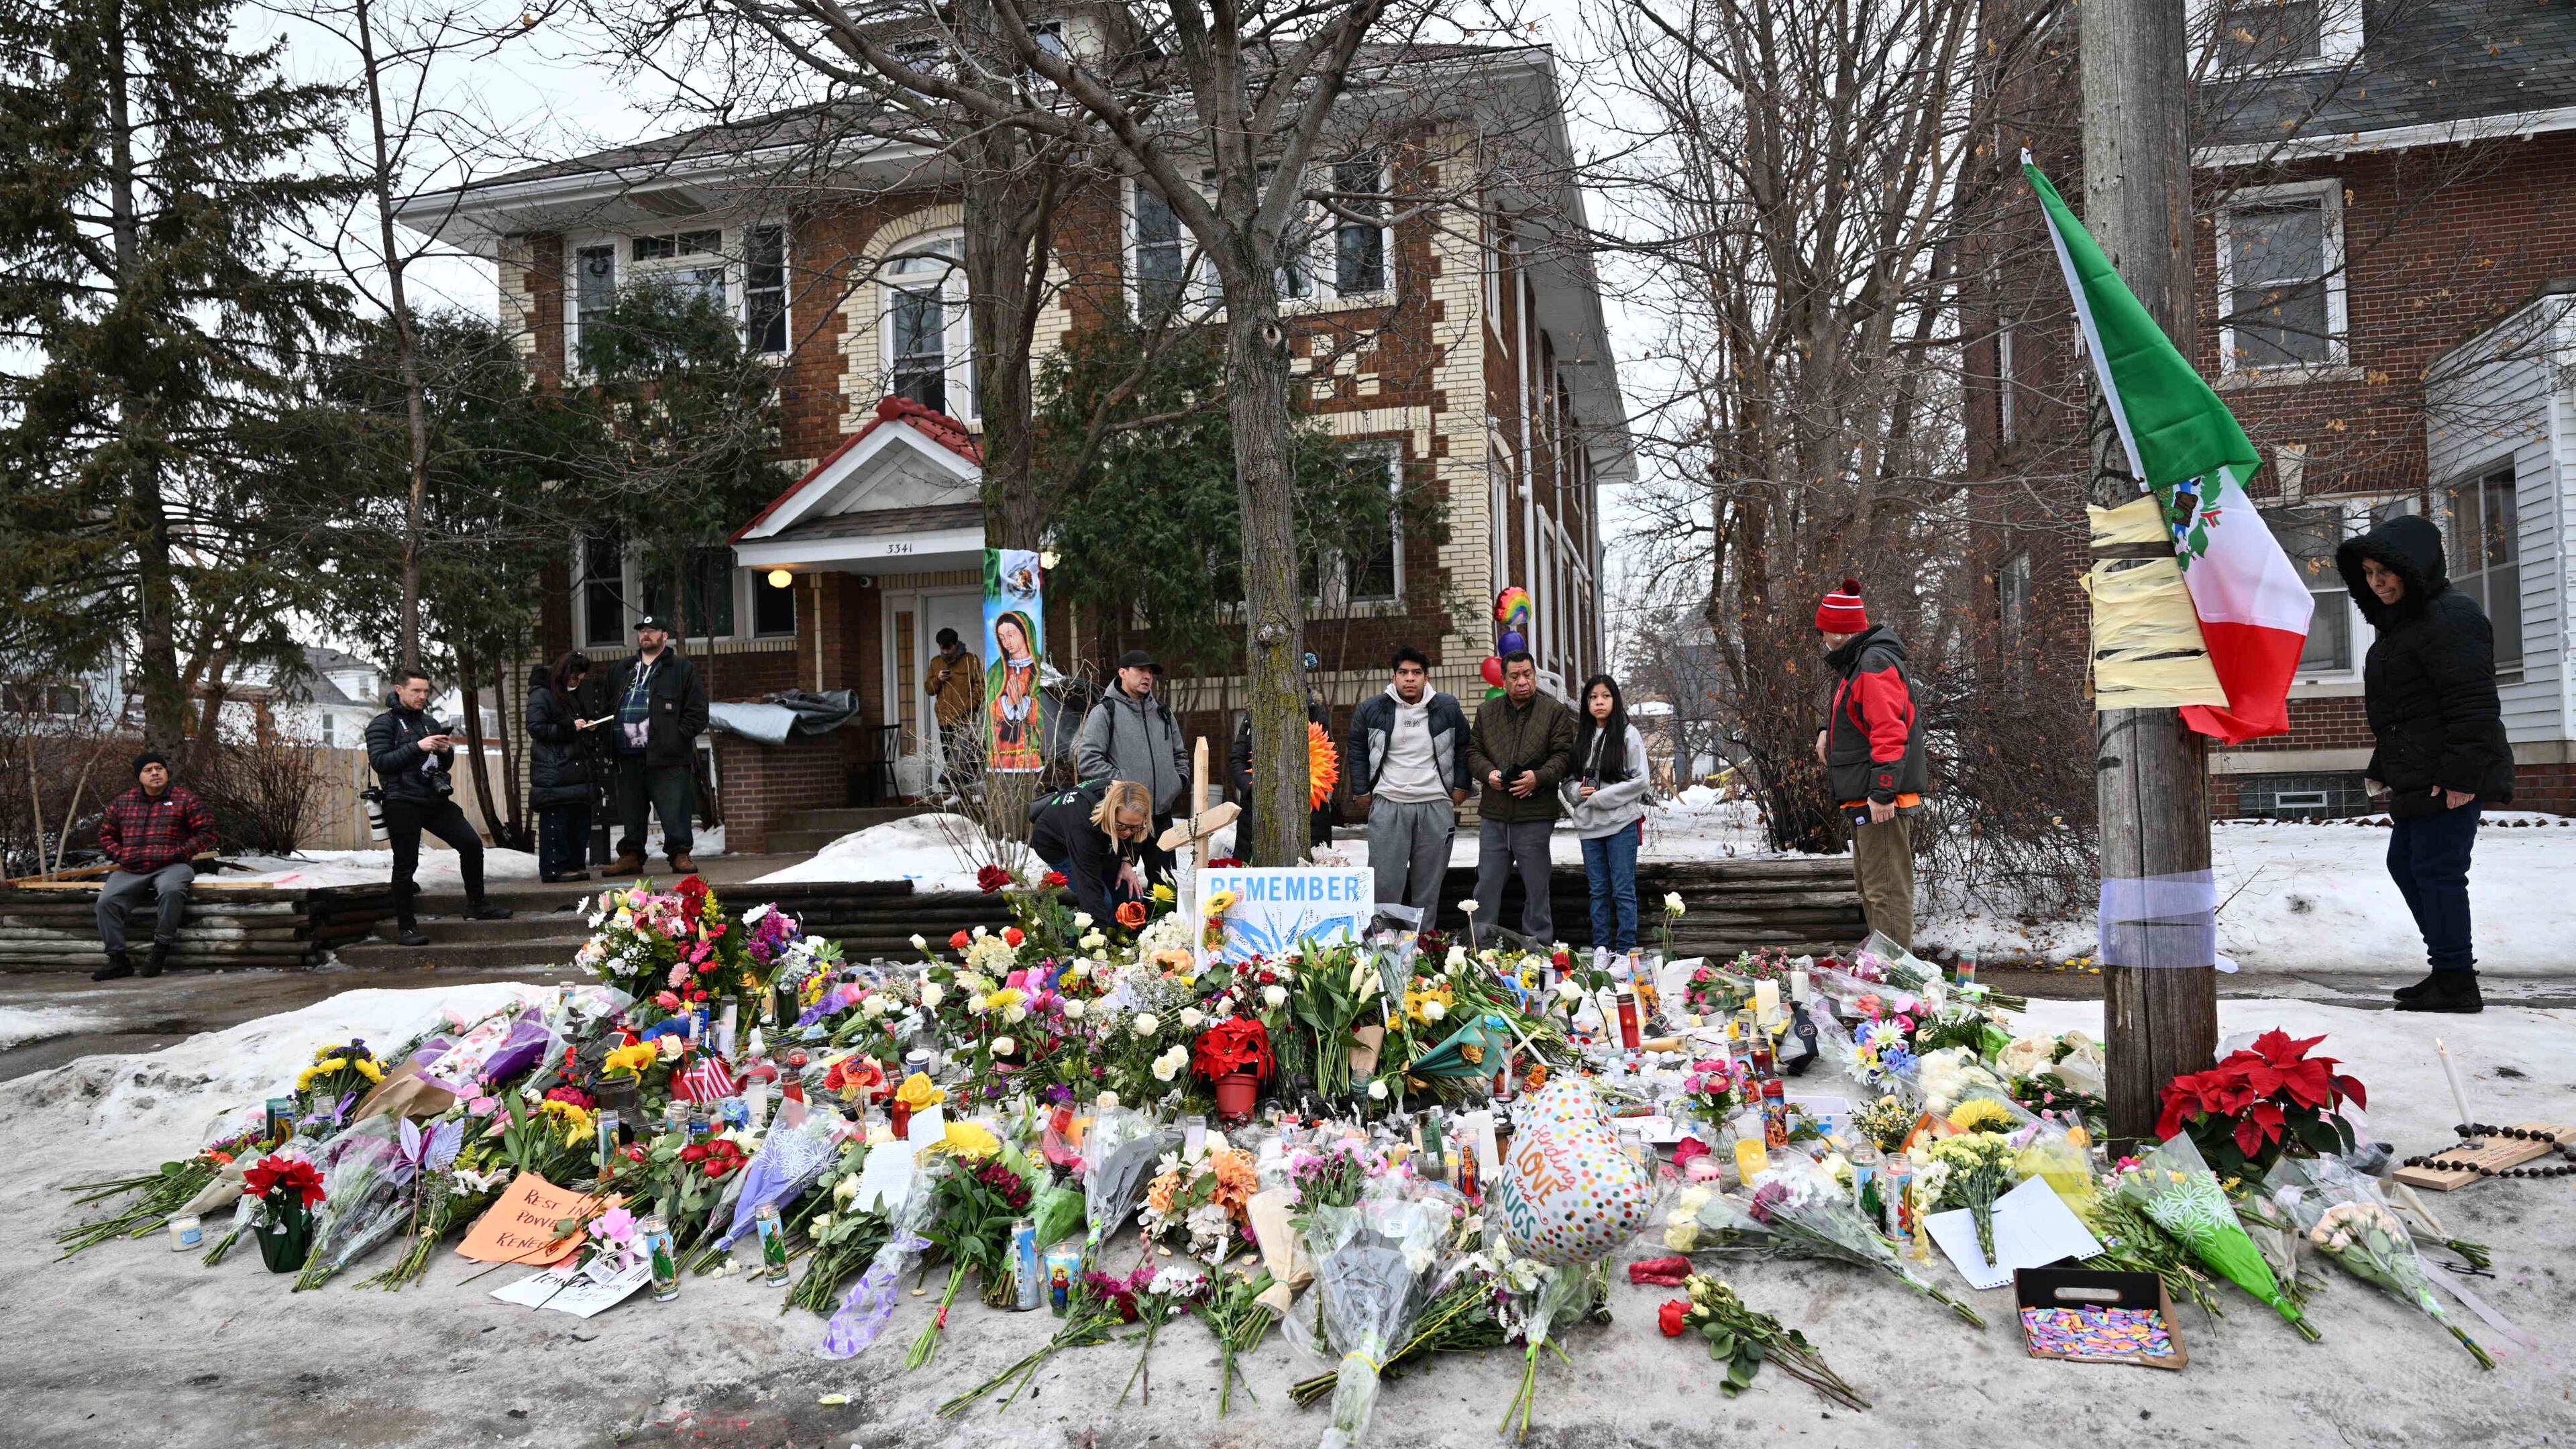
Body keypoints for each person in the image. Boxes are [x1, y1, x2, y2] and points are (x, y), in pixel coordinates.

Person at [2337, 514, 2514, 1014]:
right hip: (2419, 769)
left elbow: (2473, 703)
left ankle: (2457, 981)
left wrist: (2461, 776)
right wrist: (2382, 762)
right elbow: (2408, 710)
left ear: (2416, 568)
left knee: (2437, 871)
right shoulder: (2402, 625)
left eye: (2387, 572)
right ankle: (2448, 971)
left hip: (2449, 773)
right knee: (2407, 866)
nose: (2378, 583)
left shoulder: (2451, 616)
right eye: (2369, 573)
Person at [1813, 579, 1925, 949]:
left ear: (1839, 632)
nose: (1822, 639)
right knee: (1873, 886)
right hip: (1866, 797)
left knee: (1886, 892)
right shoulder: (1859, 664)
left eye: (1825, 631)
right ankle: (1883, 976)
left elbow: (1890, 730)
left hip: (1881, 802)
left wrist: (1882, 792)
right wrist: (1828, 729)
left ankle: (1897, 986)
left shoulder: (1873, 663)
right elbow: (1861, 716)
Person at [367, 670, 513, 946]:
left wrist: (445, 751)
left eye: (426, 691)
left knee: (471, 844)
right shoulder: (382, 724)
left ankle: (476, 904)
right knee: (406, 864)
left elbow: (442, 765)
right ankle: (406, 927)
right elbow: (381, 762)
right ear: (399, 689)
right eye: (416, 691)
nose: (423, 696)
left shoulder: (429, 722)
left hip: (434, 799)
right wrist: (418, 746)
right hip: (401, 800)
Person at [1347, 645, 1470, 921]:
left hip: (1435, 804)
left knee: (1428, 886)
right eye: (1403, 672)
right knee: (1384, 885)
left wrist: (1461, 786)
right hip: (1389, 804)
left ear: (1426, 677)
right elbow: (1357, 749)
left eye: (1416, 672)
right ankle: (1385, 947)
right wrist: (1361, 790)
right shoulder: (1372, 709)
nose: (1410, 678)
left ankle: (1423, 947)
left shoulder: (1447, 707)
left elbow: (1464, 746)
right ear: (1394, 677)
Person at [1466, 651, 1576, 943]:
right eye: (1514, 676)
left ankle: (1538, 947)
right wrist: (1489, 774)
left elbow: (1564, 756)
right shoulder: (1487, 713)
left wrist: (1537, 778)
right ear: (1503, 680)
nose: (1522, 682)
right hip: (1494, 815)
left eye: (1527, 674)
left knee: (1537, 887)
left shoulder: (1554, 711)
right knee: (1486, 885)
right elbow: (1472, 753)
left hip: (1535, 814)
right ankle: (1481, 946)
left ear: (1535, 675)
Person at [90, 751, 217, 980]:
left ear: (167, 772)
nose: (155, 773)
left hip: (173, 865)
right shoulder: (123, 803)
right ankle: (118, 960)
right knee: (105, 902)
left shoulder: (185, 799)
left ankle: (160, 951)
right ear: (139, 776)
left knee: (171, 891)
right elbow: (106, 835)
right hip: (132, 867)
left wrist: (181, 852)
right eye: (148, 770)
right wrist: (121, 855)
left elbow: (207, 832)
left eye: (159, 768)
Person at [604, 615, 709, 875]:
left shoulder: (681, 668)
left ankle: (680, 854)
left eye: (652, 631)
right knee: (631, 809)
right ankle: (631, 855)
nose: (645, 635)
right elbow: (608, 704)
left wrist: (676, 737)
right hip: (628, 754)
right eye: (641, 631)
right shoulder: (623, 669)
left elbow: (697, 712)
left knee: (674, 808)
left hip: (667, 755)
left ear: (664, 636)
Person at [1562, 674, 1653, 960]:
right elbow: (1567, 781)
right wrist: (1578, 792)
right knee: (1598, 890)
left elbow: (1641, 781)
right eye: (1593, 697)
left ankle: (1625, 952)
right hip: (1590, 827)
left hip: (1621, 824)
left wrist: (1602, 796)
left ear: (1615, 700)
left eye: (1605, 696)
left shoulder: (1628, 734)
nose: (1599, 702)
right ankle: (1601, 948)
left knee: (1623, 889)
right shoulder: (1582, 738)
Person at [1077, 649, 1190, 865]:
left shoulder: (1163, 713)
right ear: (1123, 673)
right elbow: (1088, 760)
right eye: (1140, 670)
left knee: (1167, 887)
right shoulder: (1105, 712)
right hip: (1124, 820)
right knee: (1123, 887)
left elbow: (1180, 755)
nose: (1147, 676)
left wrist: (1178, 782)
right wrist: (1123, 785)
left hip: (1162, 817)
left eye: (1150, 672)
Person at [1030, 778, 1167, 924]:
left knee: (1130, 897)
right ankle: (1079, 943)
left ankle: (1121, 940)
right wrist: (1098, 939)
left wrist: (1126, 863)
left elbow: (1136, 836)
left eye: (1135, 827)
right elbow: (1089, 885)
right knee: (1103, 901)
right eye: (1122, 826)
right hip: (1056, 846)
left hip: (1102, 838)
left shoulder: (1132, 800)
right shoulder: (1083, 822)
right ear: (1110, 814)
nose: (1128, 833)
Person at [1231, 669, 1336, 859]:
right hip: (1256, 811)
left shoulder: (1315, 713)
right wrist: (1252, 788)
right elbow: (1237, 759)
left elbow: (1325, 761)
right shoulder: (1253, 714)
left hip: (1308, 810)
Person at [526, 651, 599, 883]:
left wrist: (588, 726)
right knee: (557, 821)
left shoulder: (569, 696)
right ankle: (554, 867)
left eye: (581, 679)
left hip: (574, 768)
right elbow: (536, 728)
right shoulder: (542, 694)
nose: (577, 683)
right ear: (564, 673)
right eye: (575, 678)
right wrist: (570, 728)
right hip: (554, 769)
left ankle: (573, 864)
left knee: (577, 821)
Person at [985, 610, 1044, 774]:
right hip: (1002, 752)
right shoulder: (997, 671)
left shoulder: (1041, 668)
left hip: (1028, 750)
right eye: (1002, 638)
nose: (1007, 642)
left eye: (1011, 635)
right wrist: (1009, 703)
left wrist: (1024, 703)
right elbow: (990, 710)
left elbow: (1046, 709)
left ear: (1025, 632)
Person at [925, 626, 985, 787]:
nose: (945, 652)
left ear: (956, 643)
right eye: (942, 648)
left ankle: (974, 792)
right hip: (945, 720)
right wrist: (937, 679)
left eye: (948, 647)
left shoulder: (971, 660)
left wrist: (969, 706)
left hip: (967, 719)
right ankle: (956, 793)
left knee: (971, 759)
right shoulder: (936, 663)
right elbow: (929, 690)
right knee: (951, 760)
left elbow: (981, 686)